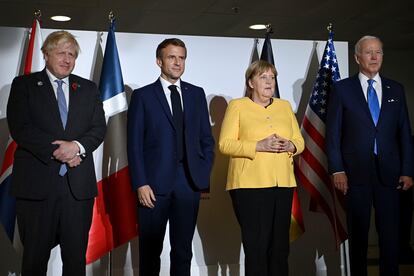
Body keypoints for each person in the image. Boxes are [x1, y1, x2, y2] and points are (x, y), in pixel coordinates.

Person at [6, 31, 106, 275]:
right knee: (34, 260)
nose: (67, 59)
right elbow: (21, 127)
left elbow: (98, 127)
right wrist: (61, 151)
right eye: (61, 52)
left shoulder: (88, 88)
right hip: (37, 188)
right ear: (46, 54)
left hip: (77, 189)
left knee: (75, 261)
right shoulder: (24, 85)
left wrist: (77, 148)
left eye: (72, 54)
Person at [326, 35, 414, 276]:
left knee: (390, 236)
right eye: (369, 52)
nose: (375, 57)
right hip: (355, 174)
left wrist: (407, 169)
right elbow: (332, 135)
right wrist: (337, 169)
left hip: (391, 174)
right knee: (359, 236)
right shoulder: (342, 89)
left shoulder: (396, 89)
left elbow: (404, 133)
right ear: (357, 58)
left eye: (379, 52)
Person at [127, 38, 214, 276]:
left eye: (182, 58)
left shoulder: (196, 94)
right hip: (153, 185)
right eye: (171, 57)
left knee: (183, 251)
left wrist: (202, 172)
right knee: (150, 252)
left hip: (189, 183)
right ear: (159, 61)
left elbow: (207, 140)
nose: (177, 62)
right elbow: (134, 145)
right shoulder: (143, 96)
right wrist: (140, 183)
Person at [218, 60, 304, 276]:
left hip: (283, 183)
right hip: (249, 186)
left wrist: (291, 145)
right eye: (263, 77)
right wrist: (258, 145)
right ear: (251, 82)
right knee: (256, 247)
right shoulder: (237, 106)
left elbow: (299, 141)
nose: (269, 82)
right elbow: (224, 144)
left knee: (280, 248)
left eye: (272, 77)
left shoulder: (284, 106)